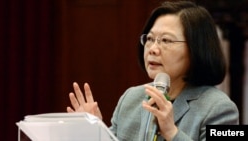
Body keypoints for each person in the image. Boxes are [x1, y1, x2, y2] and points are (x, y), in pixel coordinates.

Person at [66, 1, 239, 141]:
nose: (153, 49)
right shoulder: (131, 99)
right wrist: (95, 131)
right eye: (149, 39)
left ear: (196, 49)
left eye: (166, 40)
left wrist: (172, 132)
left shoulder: (220, 109)